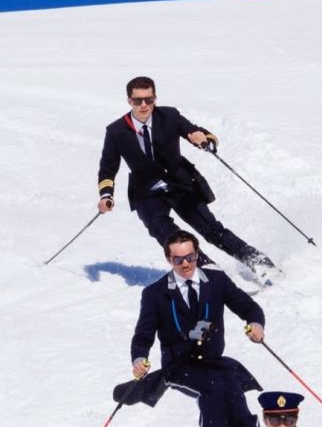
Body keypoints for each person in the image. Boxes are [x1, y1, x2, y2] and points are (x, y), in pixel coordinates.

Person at [98, 75, 274, 278]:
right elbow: (107, 169)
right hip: (146, 192)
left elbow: (196, 132)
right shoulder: (116, 131)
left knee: (211, 229)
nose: (144, 105)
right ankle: (208, 269)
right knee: (164, 231)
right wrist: (106, 196)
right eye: (138, 100)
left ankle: (259, 262)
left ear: (155, 98)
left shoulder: (169, 116)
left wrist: (203, 139)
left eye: (149, 99)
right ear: (129, 101)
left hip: (179, 184)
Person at [130, 231, 265, 427]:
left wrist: (255, 324)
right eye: (178, 259)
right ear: (168, 259)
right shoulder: (155, 293)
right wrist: (139, 359)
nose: (185, 264)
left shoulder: (216, 281)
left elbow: (248, 307)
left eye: (190, 257)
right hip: (179, 366)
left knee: (233, 390)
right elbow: (143, 335)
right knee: (212, 388)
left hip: (214, 362)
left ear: (197, 254)